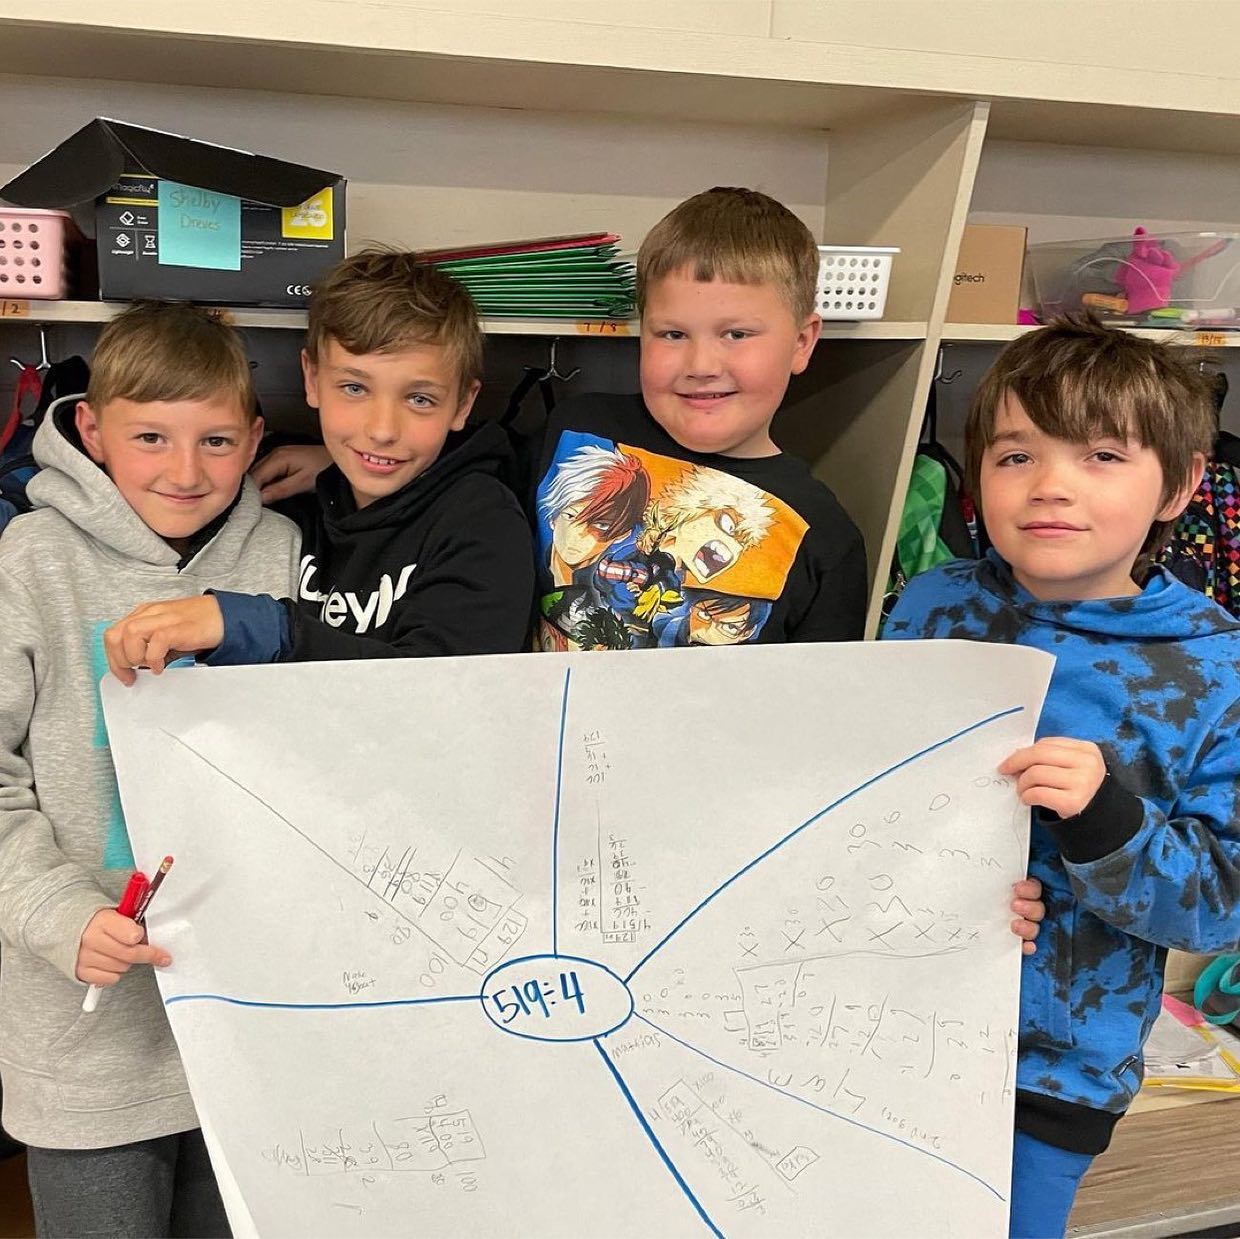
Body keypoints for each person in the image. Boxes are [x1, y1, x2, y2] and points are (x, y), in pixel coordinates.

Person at [884, 318, 1240, 1238]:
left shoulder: (1215, 668)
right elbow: (865, 793)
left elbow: (1220, 902)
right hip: (879, 1012)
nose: (1051, 486)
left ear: (1182, 484)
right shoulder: (930, 606)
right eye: (1014, 456)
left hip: (1050, 1066)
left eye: (1102, 456)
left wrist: (1103, 819)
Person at [0, 301, 301, 1237]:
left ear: (255, 438)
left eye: (216, 440)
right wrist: (58, 912)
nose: (185, 470)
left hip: (247, 1031)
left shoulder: (284, 551)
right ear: (90, 428)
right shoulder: (33, 558)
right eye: (150, 437)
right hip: (84, 1036)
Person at [103, 250, 533, 677]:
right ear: (311, 379)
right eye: (353, 388)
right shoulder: (297, 504)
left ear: (462, 404)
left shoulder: (483, 521)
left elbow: (451, 693)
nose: (383, 430)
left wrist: (260, 628)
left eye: (420, 399)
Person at [528, 186, 868, 652]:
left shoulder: (826, 537)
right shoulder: (575, 430)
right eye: (672, 333)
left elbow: (815, 698)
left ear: (802, 342)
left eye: (736, 333)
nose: (701, 364)